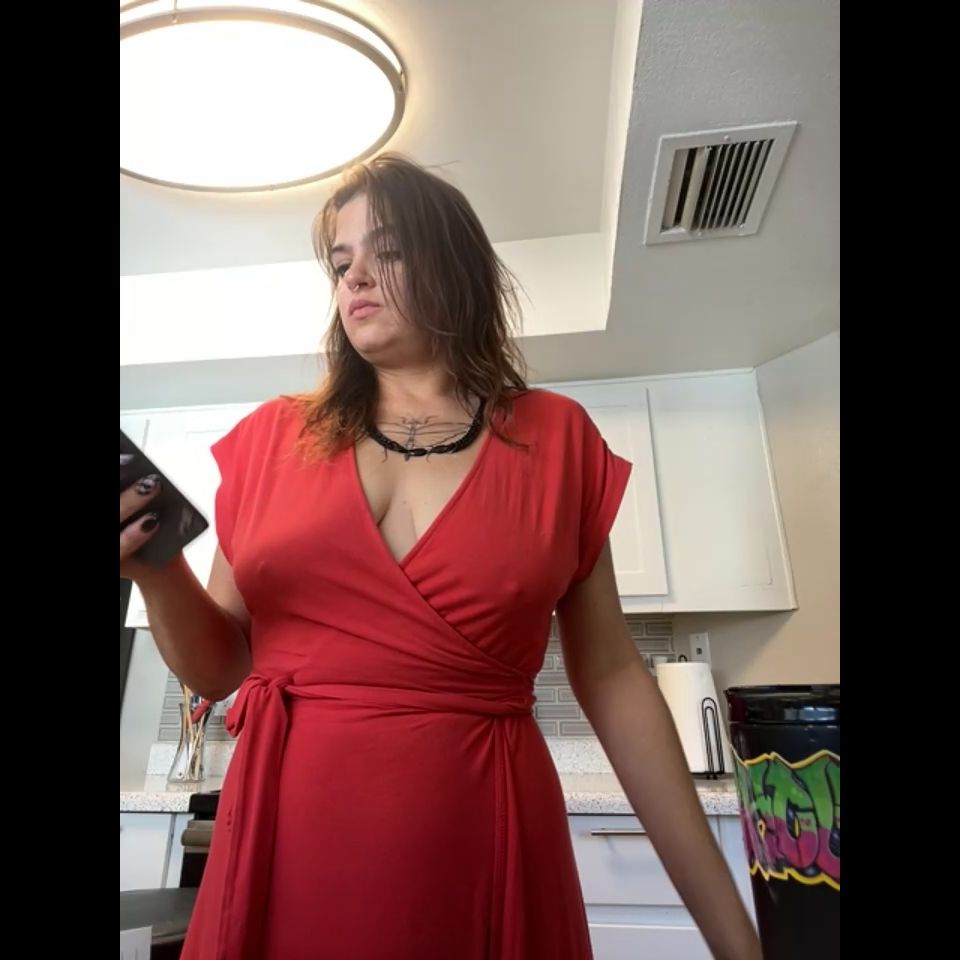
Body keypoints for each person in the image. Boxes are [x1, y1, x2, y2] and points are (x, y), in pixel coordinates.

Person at [119, 154, 761, 960]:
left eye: (387, 251)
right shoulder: (270, 438)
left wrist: (735, 939)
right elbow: (220, 670)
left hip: (485, 832)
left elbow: (611, 676)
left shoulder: (559, 439)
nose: (356, 278)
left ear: (456, 267)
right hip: (290, 833)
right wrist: (156, 568)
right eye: (341, 263)